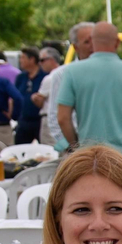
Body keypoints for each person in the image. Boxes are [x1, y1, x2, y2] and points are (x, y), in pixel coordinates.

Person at [58, 23, 122, 166]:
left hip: (91, 158)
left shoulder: (72, 72)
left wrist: (78, 146)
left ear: (92, 42)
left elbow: (62, 118)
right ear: (117, 42)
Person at [40, 22, 93, 151]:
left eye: (96, 40)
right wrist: (71, 148)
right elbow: (55, 117)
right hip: (78, 150)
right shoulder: (62, 74)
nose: (94, 46)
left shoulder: (112, 72)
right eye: (87, 42)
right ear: (75, 47)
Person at [13, 47, 45, 145]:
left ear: (32, 59)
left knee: (45, 148)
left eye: (23, 57)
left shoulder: (44, 76)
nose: (20, 60)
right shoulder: (21, 77)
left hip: (39, 121)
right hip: (23, 120)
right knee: (19, 148)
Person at [29, 47, 62, 145]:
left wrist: (34, 97)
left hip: (49, 119)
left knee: (50, 150)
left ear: (51, 60)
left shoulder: (50, 78)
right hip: (65, 118)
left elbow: (40, 101)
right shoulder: (67, 73)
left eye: (42, 60)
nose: (40, 63)